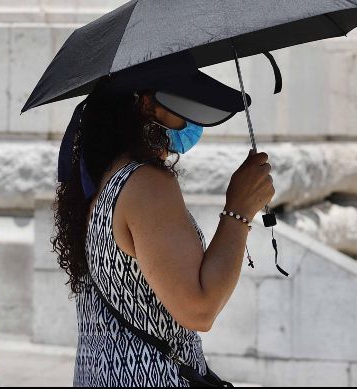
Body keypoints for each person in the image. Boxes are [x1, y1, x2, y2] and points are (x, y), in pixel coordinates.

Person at [53, 72, 275, 386]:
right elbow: (199, 310)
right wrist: (239, 209)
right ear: (148, 105)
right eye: (182, 101)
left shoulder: (106, 176)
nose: (191, 119)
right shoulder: (146, 183)